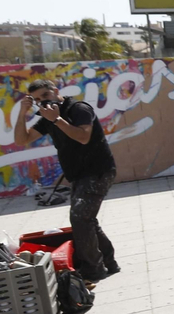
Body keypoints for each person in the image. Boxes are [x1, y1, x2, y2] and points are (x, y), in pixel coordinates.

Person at [13, 78, 119, 282]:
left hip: (98, 170)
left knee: (80, 219)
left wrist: (56, 120)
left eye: (45, 95)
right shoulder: (47, 117)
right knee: (86, 219)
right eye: (37, 99)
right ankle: (109, 262)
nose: (42, 102)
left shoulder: (78, 109)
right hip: (78, 174)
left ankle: (93, 270)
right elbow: (22, 139)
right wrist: (21, 114)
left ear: (55, 91)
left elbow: (83, 137)